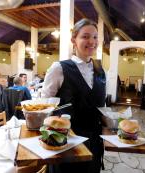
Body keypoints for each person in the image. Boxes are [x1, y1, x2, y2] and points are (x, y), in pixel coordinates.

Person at [42, 18, 106, 173]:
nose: (92, 41)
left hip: (95, 142)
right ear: (74, 40)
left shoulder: (100, 70)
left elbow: (101, 106)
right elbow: (45, 106)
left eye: (95, 37)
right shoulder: (59, 68)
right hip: (66, 142)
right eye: (85, 36)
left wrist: (110, 125)